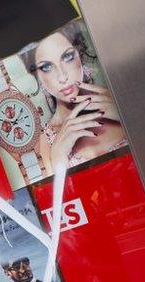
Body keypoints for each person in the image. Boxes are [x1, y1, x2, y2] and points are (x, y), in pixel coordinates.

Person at [18, 20, 127, 175]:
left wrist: (129, 117)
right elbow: (62, 197)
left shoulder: (119, 97)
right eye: (47, 67)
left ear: (80, 54)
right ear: (37, 75)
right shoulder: (48, 140)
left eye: (68, 57)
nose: (62, 76)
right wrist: (59, 158)